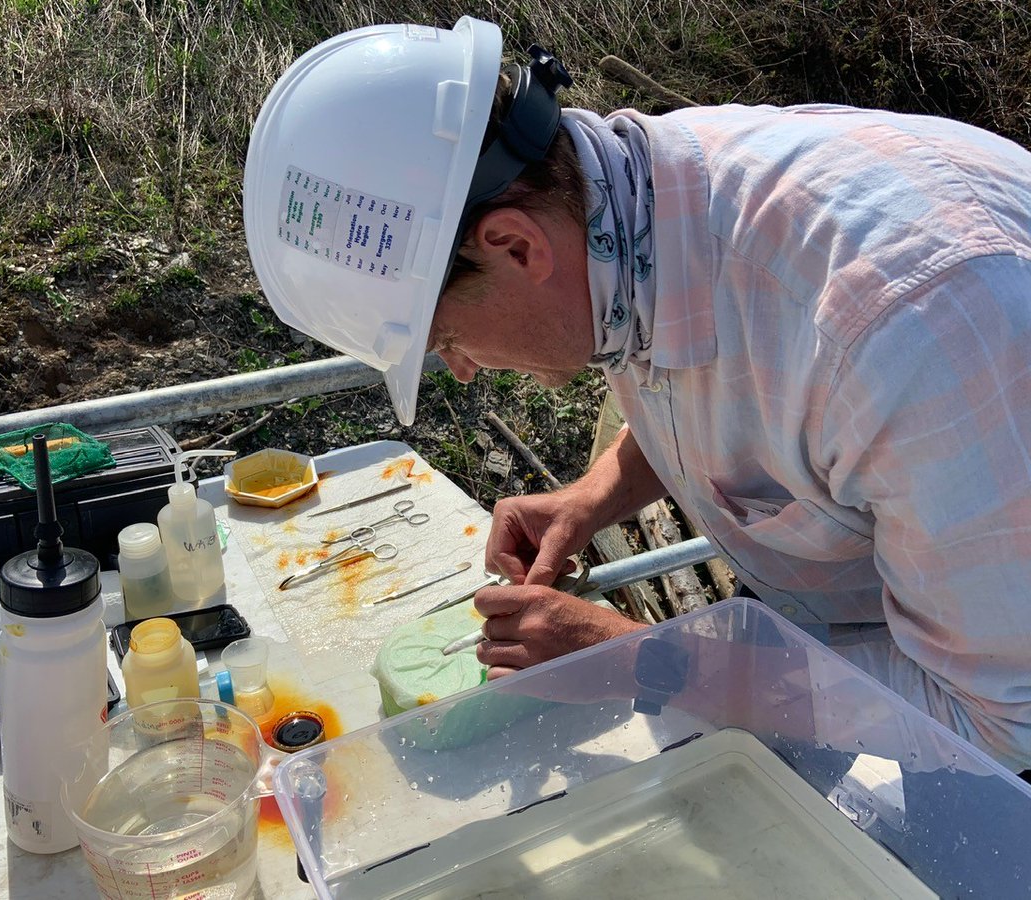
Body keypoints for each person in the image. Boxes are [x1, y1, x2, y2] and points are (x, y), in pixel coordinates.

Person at [242, 16, 1031, 777]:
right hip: (881, 626)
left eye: (446, 341)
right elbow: (728, 387)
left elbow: (996, 721)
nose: (465, 370)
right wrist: (593, 498)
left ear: (514, 246)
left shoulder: (909, 336)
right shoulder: (626, 215)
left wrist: (645, 662)